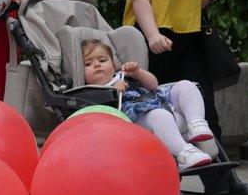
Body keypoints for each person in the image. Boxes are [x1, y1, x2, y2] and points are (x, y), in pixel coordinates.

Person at [124, 0, 243, 192]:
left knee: (204, 113)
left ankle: (222, 186)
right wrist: (151, 35)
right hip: (155, 39)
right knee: (153, 114)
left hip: (189, 39)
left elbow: (192, 1)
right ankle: (153, 185)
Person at [81, 39, 215, 171]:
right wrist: (113, 92)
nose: (97, 65)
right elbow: (104, 118)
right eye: (88, 64)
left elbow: (153, 85)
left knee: (186, 85)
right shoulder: (91, 93)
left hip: (168, 111)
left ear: (113, 63)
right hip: (139, 124)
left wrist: (138, 73)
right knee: (159, 115)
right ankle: (184, 154)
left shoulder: (123, 74)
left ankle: (196, 123)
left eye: (102, 60)